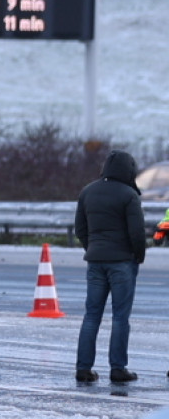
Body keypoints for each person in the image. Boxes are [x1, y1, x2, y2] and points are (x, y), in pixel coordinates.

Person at [73, 150, 149, 384]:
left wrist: (92, 249)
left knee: (91, 316)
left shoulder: (88, 191)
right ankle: (118, 368)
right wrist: (138, 256)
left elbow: (80, 228)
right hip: (122, 262)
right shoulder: (129, 195)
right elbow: (137, 233)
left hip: (95, 262)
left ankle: (83, 368)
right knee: (119, 317)